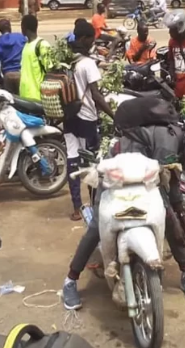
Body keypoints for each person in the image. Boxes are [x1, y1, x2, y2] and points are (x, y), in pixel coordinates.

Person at [61, 98, 185, 311]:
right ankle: (70, 280)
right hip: (116, 176)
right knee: (98, 224)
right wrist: (180, 214)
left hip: (146, 180)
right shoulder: (162, 141)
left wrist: (177, 214)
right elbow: (173, 181)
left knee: (166, 217)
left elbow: (169, 176)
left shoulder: (168, 137)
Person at [63, 22, 115, 221]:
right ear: (85, 39)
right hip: (86, 117)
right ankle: (94, 205)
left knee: (72, 159)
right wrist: (114, 116)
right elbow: (96, 96)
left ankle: (77, 207)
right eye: (92, 39)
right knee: (92, 164)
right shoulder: (87, 64)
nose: (94, 42)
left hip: (68, 117)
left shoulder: (67, 59)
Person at [19, 14, 51, 101]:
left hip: (37, 97)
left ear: (25, 28)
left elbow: (50, 70)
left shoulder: (42, 45)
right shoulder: (26, 45)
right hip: (25, 95)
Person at [0, 19, 27, 94]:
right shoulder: (20, 38)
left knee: (11, 101)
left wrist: (1, 81)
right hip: (21, 73)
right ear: (10, 27)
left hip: (7, 75)